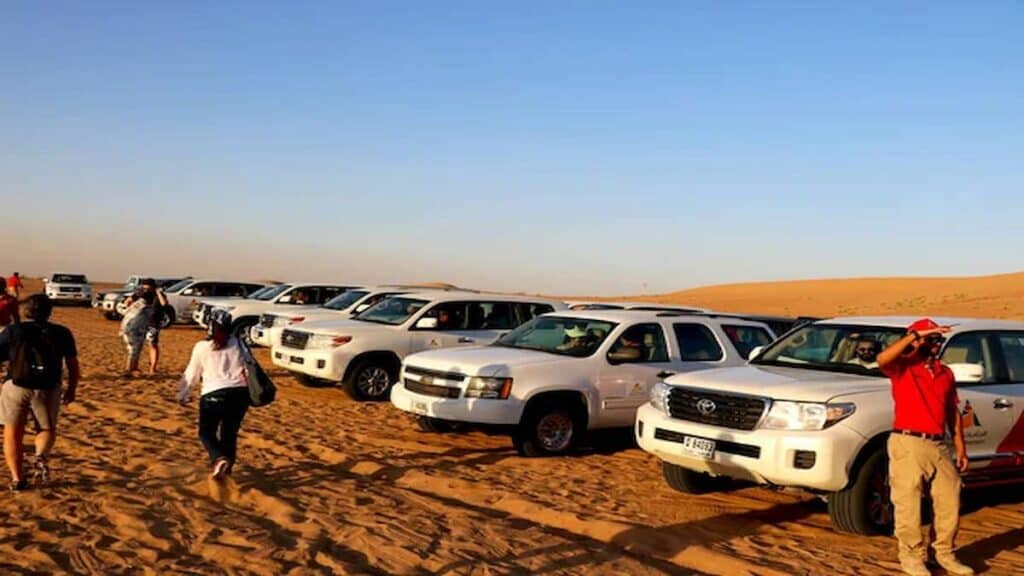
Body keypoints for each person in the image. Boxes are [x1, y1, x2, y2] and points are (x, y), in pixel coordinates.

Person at [877, 319, 973, 576]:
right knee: (908, 503)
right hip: (908, 442)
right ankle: (911, 556)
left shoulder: (945, 373)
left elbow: (952, 411)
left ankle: (943, 553)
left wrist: (960, 447)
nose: (936, 344)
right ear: (917, 339)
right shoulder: (903, 366)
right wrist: (913, 337)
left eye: (938, 339)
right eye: (931, 339)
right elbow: (882, 359)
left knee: (949, 499)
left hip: (938, 444)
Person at [0, 295, 79, 491]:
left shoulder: (14, 330)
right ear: (49, 311)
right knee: (45, 429)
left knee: (12, 432)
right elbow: (72, 364)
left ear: (26, 311)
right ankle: (41, 454)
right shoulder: (62, 332)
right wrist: (72, 388)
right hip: (48, 387)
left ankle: (17, 478)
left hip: (16, 385)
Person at [179, 309, 251, 479]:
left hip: (213, 393)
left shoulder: (202, 347)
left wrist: (183, 393)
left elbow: (192, 373)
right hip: (240, 394)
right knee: (229, 433)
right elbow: (249, 367)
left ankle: (218, 459)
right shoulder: (239, 344)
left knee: (206, 432)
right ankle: (227, 469)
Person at [122, 279, 169, 374]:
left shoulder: (158, 295)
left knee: (152, 344)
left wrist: (158, 293)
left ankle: (152, 368)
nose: (146, 290)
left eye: (148, 288)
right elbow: (128, 301)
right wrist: (129, 306)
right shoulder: (142, 293)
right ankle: (134, 366)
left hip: (154, 323)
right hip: (141, 323)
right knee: (137, 345)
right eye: (144, 288)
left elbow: (164, 303)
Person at [119, 291, 156, 377]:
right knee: (133, 350)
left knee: (135, 349)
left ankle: (133, 367)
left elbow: (124, 310)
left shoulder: (136, 304)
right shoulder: (147, 309)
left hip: (125, 328)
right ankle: (128, 370)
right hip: (133, 330)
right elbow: (148, 321)